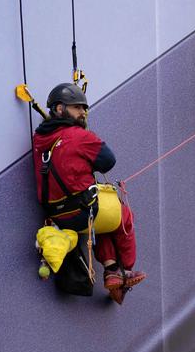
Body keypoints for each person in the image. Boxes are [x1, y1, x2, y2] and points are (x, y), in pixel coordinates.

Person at [32, 82, 145, 304]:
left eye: (84, 108)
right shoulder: (79, 136)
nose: (83, 112)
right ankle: (124, 271)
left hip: (57, 216)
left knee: (101, 222)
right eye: (77, 107)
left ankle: (111, 266)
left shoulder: (40, 141)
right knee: (122, 217)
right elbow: (108, 161)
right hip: (82, 211)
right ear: (59, 109)